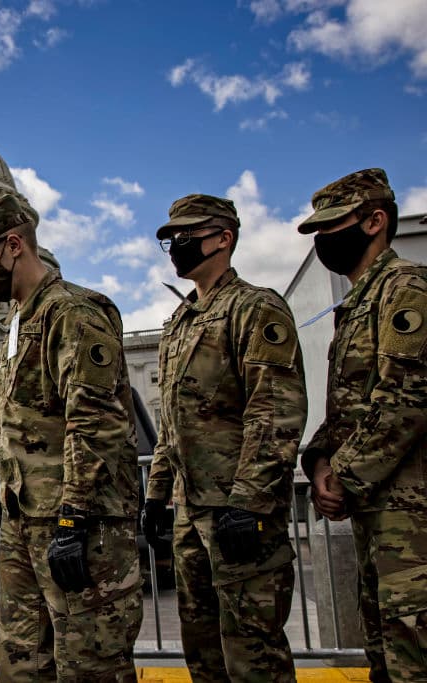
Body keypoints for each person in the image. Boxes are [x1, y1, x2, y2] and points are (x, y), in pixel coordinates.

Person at [0, 193, 142, 682]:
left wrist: (73, 518)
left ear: (14, 245)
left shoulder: (73, 313)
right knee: (22, 663)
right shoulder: (19, 323)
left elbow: (94, 422)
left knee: (91, 665)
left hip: (78, 522)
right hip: (24, 521)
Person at [141, 194, 307, 682]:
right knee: (204, 655)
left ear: (224, 238)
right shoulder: (178, 324)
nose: (176, 245)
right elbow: (172, 426)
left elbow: (275, 409)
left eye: (186, 235)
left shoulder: (255, 308)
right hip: (192, 518)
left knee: (254, 655)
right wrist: (156, 496)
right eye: (171, 238)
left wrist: (250, 502)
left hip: (239, 516)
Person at [297, 169, 427, 682]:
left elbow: (406, 399)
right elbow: (346, 413)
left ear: (376, 221)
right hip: (379, 513)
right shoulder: (355, 306)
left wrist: (343, 475)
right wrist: (321, 461)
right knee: (383, 652)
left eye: (333, 226)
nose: (324, 240)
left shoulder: (406, 289)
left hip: (412, 517)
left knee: (412, 654)